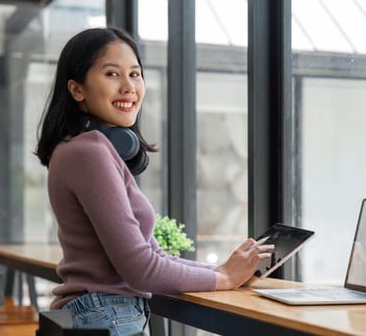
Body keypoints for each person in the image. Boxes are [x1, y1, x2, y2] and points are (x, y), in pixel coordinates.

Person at [35, 27, 273, 336]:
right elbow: (141, 268)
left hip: (103, 316)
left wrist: (222, 270)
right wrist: (224, 279)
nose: (128, 87)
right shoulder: (88, 153)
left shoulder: (81, 149)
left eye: (135, 74)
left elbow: (153, 254)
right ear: (77, 89)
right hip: (106, 319)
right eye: (112, 74)